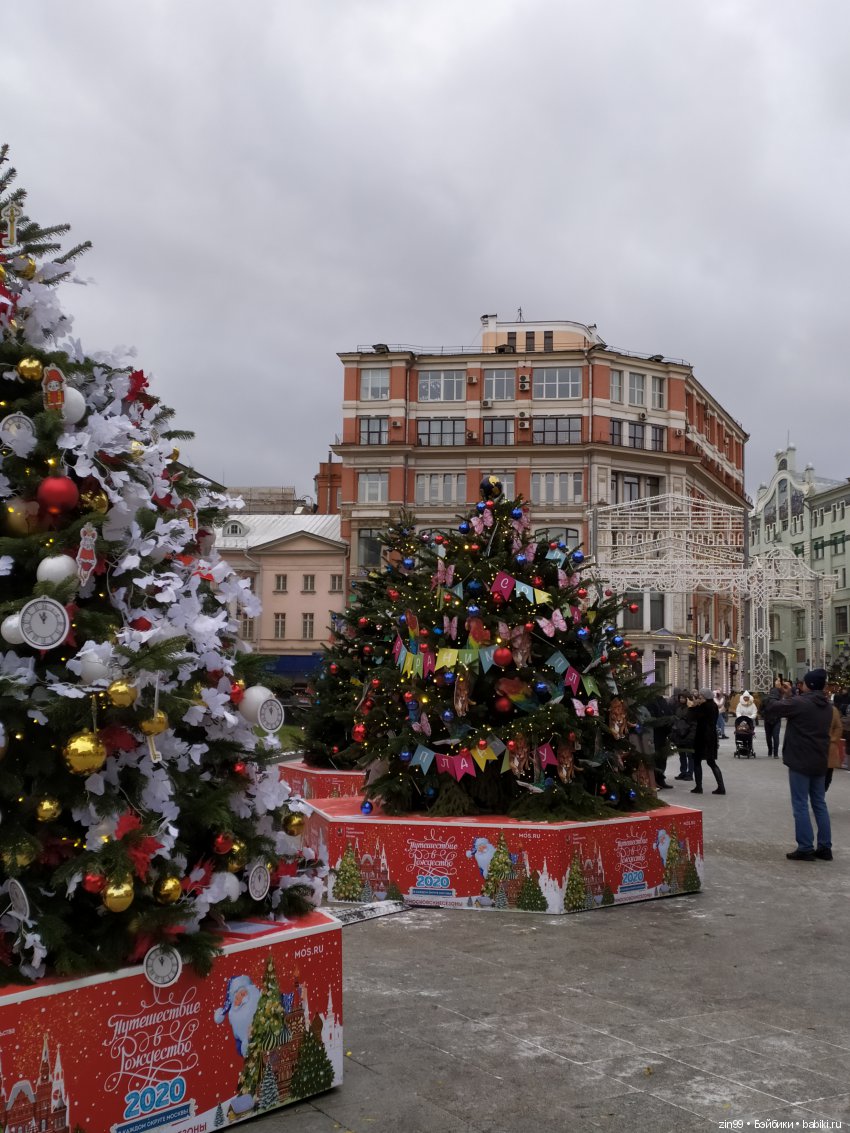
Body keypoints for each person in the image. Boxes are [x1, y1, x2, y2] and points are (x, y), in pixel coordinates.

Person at [763, 668, 833, 861]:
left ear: (809, 685)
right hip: (820, 760)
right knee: (819, 803)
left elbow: (771, 708)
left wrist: (776, 691)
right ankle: (825, 847)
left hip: (800, 761)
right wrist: (789, 694)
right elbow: (797, 705)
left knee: (800, 804)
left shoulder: (801, 703)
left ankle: (805, 847)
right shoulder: (827, 705)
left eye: (802, 683)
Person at [688, 689, 725, 795]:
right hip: (712, 736)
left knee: (697, 761)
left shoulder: (703, 707)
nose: (699, 698)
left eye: (700, 697)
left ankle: (699, 787)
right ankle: (721, 787)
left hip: (702, 736)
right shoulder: (713, 705)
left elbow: (691, 717)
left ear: (705, 697)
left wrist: (693, 706)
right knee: (711, 762)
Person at [670, 690, 696, 781]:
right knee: (681, 754)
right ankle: (683, 771)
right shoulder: (678, 707)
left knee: (689, 754)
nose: (681, 699)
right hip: (679, 733)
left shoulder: (691, 707)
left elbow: (692, 720)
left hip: (688, 733)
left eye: (683, 698)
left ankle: (690, 773)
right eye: (680, 698)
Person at [762, 678, 784, 757]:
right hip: (777, 720)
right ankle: (776, 753)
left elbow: (761, 709)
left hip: (767, 720)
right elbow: (783, 710)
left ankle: (770, 751)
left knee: (768, 736)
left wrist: (764, 714)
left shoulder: (765, 700)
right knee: (776, 736)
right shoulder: (780, 700)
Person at [826, 701, 843, 792]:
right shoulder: (833, 710)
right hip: (828, 749)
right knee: (825, 781)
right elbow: (839, 728)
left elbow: (839, 728)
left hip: (823, 750)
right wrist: (833, 739)